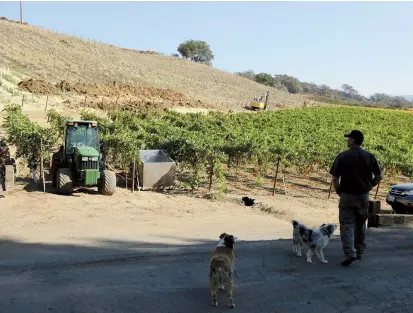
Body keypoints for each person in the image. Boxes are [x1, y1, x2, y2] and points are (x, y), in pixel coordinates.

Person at [329, 130, 382, 266]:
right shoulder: (369, 156)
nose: (347, 140)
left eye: (349, 138)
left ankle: (350, 253)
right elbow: (378, 176)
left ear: (353, 140)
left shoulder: (342, 156)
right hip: (363, 196)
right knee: (360, 224)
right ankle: (359, 252)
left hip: (347, 196)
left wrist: (339, 192)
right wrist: (369, 186)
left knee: (347, 224)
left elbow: (335, 179)